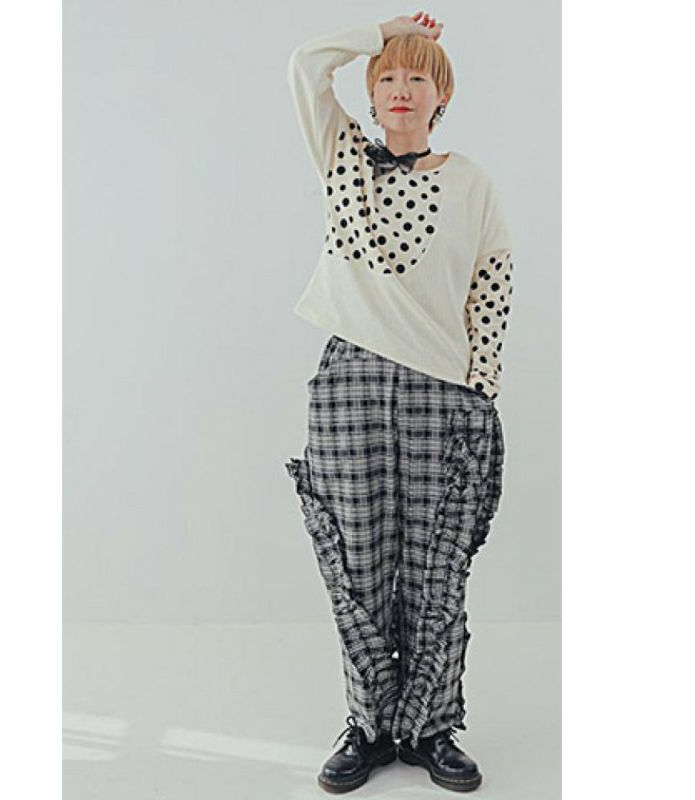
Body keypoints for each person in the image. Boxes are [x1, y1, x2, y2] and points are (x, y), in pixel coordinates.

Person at [284, 10, 514, 794]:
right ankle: (369, 724)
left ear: (442, 97)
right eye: (388, 77)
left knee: (435, 564)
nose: (402, 88)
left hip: (440, 388)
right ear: (373, 94)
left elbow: (492, 281)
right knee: (356, 558)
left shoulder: (472, 183)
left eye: (419, 77)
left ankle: (432, 727)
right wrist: (381, 31)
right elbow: (304, 64)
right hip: (349, 377)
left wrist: (482, 384)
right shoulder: (342, 153)